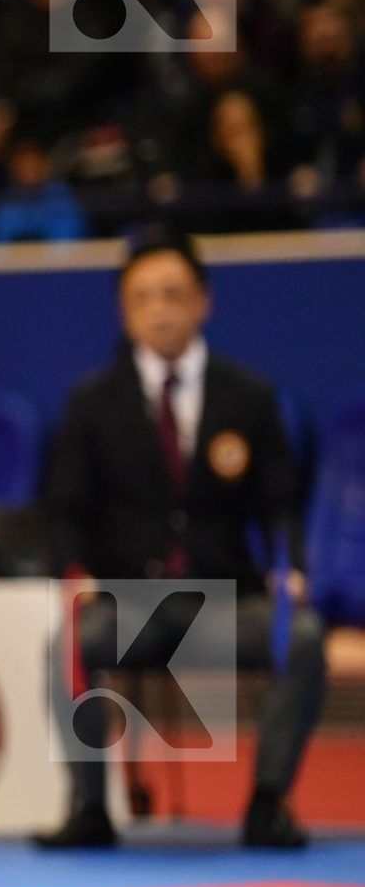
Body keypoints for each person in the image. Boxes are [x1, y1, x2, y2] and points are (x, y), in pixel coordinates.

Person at [36, 227, 328, 850]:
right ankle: (89, 811)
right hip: (128, 604)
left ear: (203, 301)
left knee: (301, 637)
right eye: (144, 297)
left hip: (226, 600)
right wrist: (74, 573)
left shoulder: (248, 396)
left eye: (173, 293)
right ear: (125, 310)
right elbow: (62, 508)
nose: (160, 309)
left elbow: (282, 504)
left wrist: (289, 567)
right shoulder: (92, 402)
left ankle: (268, 805)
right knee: (70, 642)